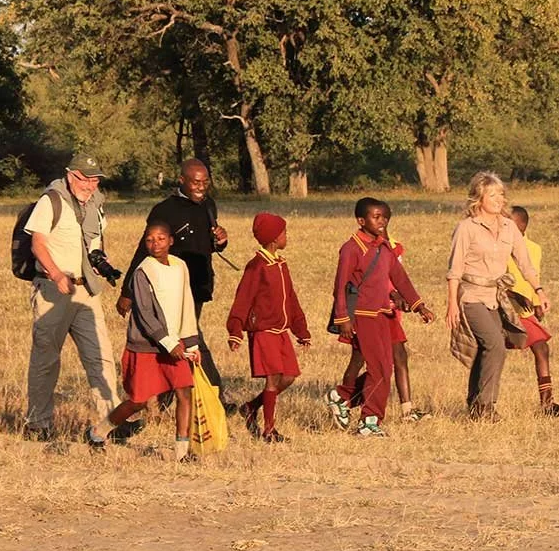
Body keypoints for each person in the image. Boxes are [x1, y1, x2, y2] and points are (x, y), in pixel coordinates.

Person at [23, 153, 128, 441]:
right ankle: (38, 424)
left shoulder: (96, 204)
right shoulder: (51, 200)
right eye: (84, 179)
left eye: (95, 180)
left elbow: (94, 244)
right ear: (70, 175)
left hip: (86, 291)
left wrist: (101, 262)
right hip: (53, 289)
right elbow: (37, 244)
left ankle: (111, 422)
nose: (90, 185)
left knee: (101, 357)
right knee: (46, 359)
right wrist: (57, 274)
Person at [117, 158, 235, 413]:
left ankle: (164, 400)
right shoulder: (165, 210)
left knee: (180, 340)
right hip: (168, 289)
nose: (201, 187)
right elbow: (144, 250)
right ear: (181, 180)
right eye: (195, 182)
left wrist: (221, 241)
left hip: (198, 286)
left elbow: (209, 246)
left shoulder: (209, 205)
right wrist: (127, 292)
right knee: (190, 340)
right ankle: (215, 397)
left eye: (205, 182)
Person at [86, 222, 201, 462]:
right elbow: (145, 314)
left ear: (171, 241)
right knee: (138, 401)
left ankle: (181, 453)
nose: (155, 244)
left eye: (161, 238)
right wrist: (168, 343)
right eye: (150, 240)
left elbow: (187, 304)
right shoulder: (143, 271)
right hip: (148, 347)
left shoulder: (180, 266)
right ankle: (99, 432)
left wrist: (191, 343)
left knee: (184, 393)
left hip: (175, 343)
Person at [445, 172, 550, 422]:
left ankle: (475, 404)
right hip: (471, 295)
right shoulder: (466, 228)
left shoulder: (508, 226)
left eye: (501, 194)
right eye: (492, 195)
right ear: (478, 198)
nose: (498, 199)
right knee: (495, 345)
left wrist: (539, 290)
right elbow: (454, 269)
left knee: (486, 348)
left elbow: (524, 263)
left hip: (495, 296)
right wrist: (451, 305)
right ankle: (486, 406)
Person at [327, 198, 434, 436]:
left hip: (383, 315)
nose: (382, 221)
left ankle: (342, 396)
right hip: (362, 316)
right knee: (380, 369)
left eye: (384, 217)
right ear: (361, 220)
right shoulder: (351, 248)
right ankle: (369, 422)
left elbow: (400, 278)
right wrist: (343, 318)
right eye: (376, 217)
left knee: (384, 368)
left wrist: (419, 306)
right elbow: (340, 285)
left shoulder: (384, 248)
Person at [227, 213, 310, 443]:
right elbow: (242, 300)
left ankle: (251, 407)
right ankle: (269, 429)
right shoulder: (256, 267)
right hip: (263, 331)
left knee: (289, 376)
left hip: (281, 331)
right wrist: (235, 331)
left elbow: (291, 299)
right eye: (284, 233)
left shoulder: (281, 264)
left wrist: (301, 330)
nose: (287, 236)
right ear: (274, 238)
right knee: (272, 379)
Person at [508, 206, 559, 417]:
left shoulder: (534, 249)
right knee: (489, 353)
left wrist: (537, 302)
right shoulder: (499, 247)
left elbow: (534, 277)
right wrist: (513, 294)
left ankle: (547, 405)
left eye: (512, 226)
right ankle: (480, 402)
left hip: (523, 311)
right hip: (502, 307)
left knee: (541, 348)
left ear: (523, 227)